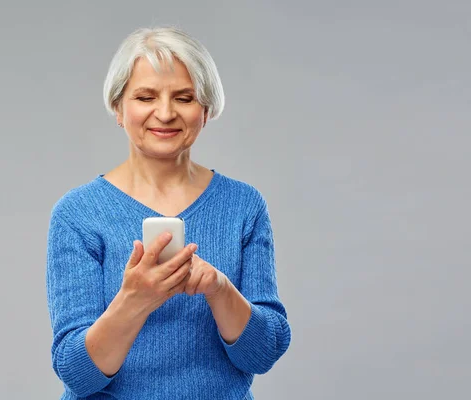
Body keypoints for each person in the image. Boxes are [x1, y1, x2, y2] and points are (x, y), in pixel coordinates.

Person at [45, 26, 291, 400]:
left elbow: (262, 353)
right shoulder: (78, 214)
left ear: (205, 110)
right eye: (145, 96)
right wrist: (134, 299)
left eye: (184, 97)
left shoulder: (243, 205)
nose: (165, 113)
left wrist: (219, 289)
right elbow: (78, 376)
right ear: (118, 108)